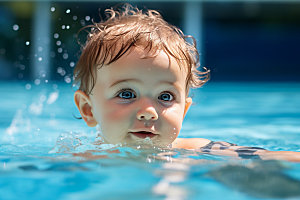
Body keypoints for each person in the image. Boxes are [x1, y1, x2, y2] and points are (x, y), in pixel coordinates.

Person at [73, 4, 300, 162]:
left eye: (165, 96)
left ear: (184, 111)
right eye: (126, 94)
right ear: (88, 109)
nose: (149, 112)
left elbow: (269, 157)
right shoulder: (78, 160)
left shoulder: (195, 151)